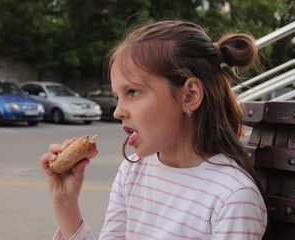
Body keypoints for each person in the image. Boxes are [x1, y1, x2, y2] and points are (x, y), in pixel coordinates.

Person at [40, 20, 267, 239]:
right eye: (117, 97)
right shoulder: (132, 173)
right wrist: (65, 204)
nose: (118, 112)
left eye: (133, 92)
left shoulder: (233, 197)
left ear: (189, 95)